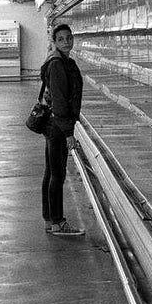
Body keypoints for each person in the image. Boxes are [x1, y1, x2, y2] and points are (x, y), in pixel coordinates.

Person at [41, 23, 85, 237]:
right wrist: (69, 133)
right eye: (61, 39)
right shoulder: (58, 64)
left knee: (51, 172)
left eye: (69, 38)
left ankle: (50, 219)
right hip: (58, 125)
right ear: (54, 41)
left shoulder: (60, 61)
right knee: (57, 174)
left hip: (53, 123)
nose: (66, 42)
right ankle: (58, 223)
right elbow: (59, 101)